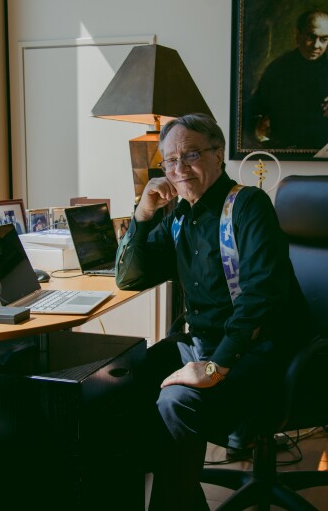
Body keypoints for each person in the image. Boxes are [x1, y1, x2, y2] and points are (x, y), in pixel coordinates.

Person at [115, 113, 310, 510]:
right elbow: (130, 278)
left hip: (258, 351)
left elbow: (260, 301)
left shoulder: (248, 206)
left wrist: (212, 367)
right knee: (119, 382)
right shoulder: (178, 215)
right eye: (169, 161)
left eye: (190, 155)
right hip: (202, 343)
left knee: (176, 403)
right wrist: (142, 213)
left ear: (218, 154)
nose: (179, 169)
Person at [246, 9, 328, 150]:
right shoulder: (277, 69)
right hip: (281, 154)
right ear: (297, 35)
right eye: (311, 37)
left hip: (321, 157)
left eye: (323, 39)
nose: (316, 45)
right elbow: (254, 108)